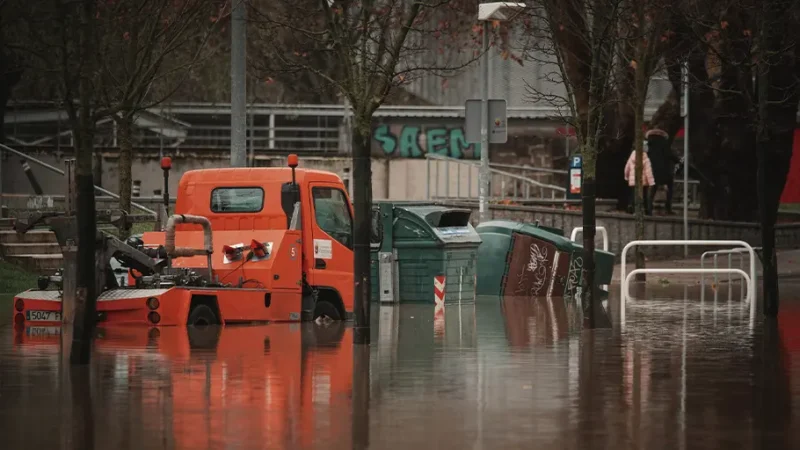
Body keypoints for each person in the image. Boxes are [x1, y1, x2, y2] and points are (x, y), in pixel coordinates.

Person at [645, 128, 680, 214]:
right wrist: (679, 160)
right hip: (664, 172)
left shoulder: (648, 146)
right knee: (670, 187)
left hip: (651, 171)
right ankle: (668, 208)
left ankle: (648, 209)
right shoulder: (664, 145)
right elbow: (671, 156)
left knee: (652, 190)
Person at [624, 143, 655, 215]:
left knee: (633, 195)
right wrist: (651, 182)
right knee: (643, 196)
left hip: (633, 181)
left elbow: (627, 167)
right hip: (643, 182)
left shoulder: (632, 155)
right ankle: (646, 211)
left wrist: (626, 176)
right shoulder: (645, 157)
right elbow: (648, 171)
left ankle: (631, 208)